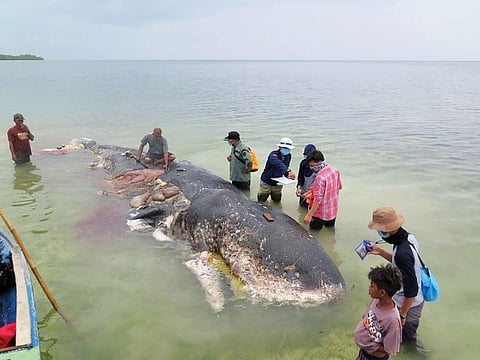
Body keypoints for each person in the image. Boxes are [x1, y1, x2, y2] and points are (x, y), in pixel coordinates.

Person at [367, 207, 425, 352]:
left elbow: (411, 290)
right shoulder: (408, 238)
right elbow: (401, 265)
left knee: (408, 343)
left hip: (409, 304)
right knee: (403, 338)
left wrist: (402, 314)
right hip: (412, 300)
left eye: (379, 230)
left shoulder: (402, 253)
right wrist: (380, 252)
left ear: (386, 231)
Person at [354, 264, 403, 360]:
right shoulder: (376, 301)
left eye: (372, 286)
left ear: (382, 292)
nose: (369, 288)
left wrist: (370, 345)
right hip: (363, 353)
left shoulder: (392, 320)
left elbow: (390, 348)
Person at [303, 150, 342, 230]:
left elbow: (318, 200)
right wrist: (311, 191)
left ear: (319, 162)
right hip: (332, 211)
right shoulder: (334, 171)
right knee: (330, 232)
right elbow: (339, 186)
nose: (311, 168)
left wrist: (309, 215)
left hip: (320, 213)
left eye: (312, 165)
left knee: (314, 234)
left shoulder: (319, 178)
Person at [257, 137, 296, 202]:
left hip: (278, 182)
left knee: (277, 200)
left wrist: (288, 175)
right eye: (285, 148)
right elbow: (278, 163)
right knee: (261, 200)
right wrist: (288, 171)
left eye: (288, 149)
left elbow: (285, 167)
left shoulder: (288, 156)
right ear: (280, 147)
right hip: (267, 181)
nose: (287, 150)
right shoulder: (273, 155)